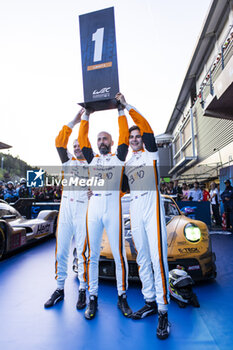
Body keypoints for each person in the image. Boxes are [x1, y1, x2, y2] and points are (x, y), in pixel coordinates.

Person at [116, 93, 170, 340]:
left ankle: (163, 311)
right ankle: (149, 300)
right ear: (129, 141)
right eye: (132, 137)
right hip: (135, 211)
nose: (136, 139)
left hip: (153, 210)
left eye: (138, 137)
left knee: (158, 261)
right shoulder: (127, 163)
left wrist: (126, 107)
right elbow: (120, 189)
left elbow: (146, 127)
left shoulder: (151, 154)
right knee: (142, 259)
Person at [78, 101, 132, 320]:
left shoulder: (119, 157)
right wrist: (86, 116)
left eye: (104, 138)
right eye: (98, 139)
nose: (101, 141)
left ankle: (122, 296)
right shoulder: (91, 159)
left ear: (111, 142)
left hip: (113, 209)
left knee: (119, 256)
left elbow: (125, 136)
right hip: (95, 208)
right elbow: (82, 141)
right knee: (92, 256)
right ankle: (93, 298)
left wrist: (120, 110)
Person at [45, 108, 89, 310]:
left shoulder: (93, 163)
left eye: (80, 144)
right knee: (61, 250)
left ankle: (83, 289)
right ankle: (59, 288)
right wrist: (74, 121)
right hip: (66, 211)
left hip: (83, 211)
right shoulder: (67, 161)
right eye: (75, 145)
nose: (77, 147)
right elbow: (58, 142)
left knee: (82, 251)